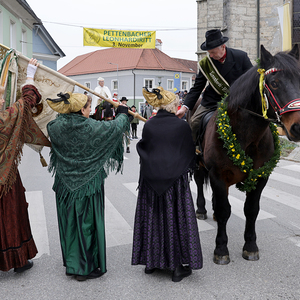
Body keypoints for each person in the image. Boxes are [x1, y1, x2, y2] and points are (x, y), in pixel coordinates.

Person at [46, 92, 131, 281]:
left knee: (69, 224)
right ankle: (84, 268)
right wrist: (124, 114)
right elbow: (113, 128)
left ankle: (72, 263)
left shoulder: (54, 127)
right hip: (88, 184)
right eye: (87, 108)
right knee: (87, 225)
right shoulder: (92, 127)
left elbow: (54, 125)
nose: (90, 111)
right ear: (82, 110)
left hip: (64, 185)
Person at [176, 29, 252, 220]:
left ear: (222, 47)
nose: (210, 54)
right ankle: (194, 156)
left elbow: (252, 80)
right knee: (193, 122)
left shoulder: (241, 57)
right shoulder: (206, 64)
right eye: (208, 51)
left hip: (237, 103)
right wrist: (185, 107)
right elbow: (197, 87)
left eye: (212, 51)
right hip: (211, 102)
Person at [131, 86, 203, 283]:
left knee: (154, 219)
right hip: (174, 183)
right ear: (172, 106)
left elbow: (143, 148)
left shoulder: (150, 125)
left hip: (151, 181)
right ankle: (177, 266)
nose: (179, 106)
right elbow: (188, 152)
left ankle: (151, 262)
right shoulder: (181, 126)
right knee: (175, 221)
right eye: (177, 104)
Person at [0, 59, 51, 273]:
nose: (3, 99)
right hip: (6, 178)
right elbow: (27, 101)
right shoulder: (5, 118)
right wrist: (30, 74)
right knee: (11, 215)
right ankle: (18, 260)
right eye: (0, 96)